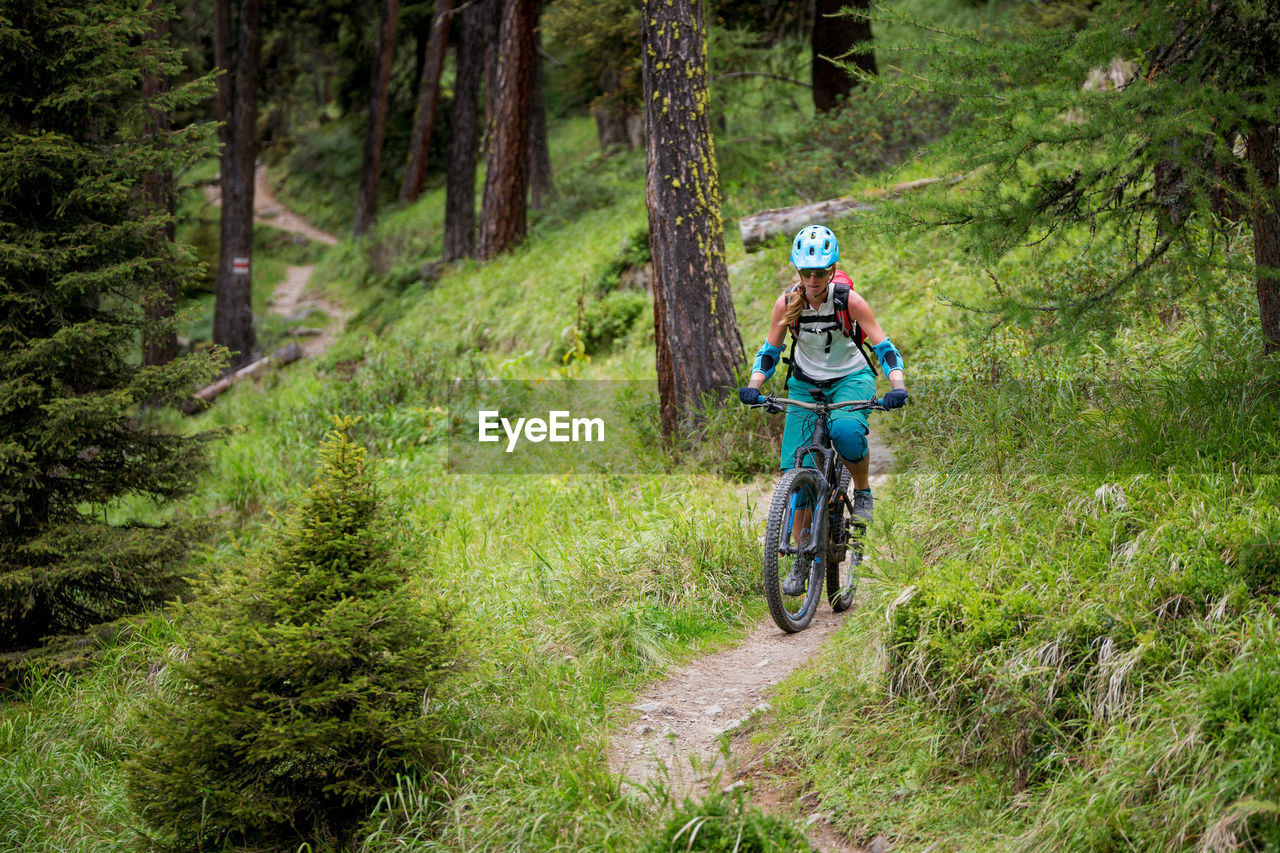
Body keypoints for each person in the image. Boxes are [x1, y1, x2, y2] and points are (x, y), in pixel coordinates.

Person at [738, 224, 908, 595]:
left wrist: (897, 385)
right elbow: (769, 352)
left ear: (832, 270)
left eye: (820, 272)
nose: (813, 280)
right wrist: (754, 386)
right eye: (806, 272)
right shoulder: (786, 303)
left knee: (845, 432)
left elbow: (885, 348)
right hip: (804, 382)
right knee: (797, 472)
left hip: (850, 379)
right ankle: (801, 557)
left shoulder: (849, 301)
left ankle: (862, 491)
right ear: (798, 271)